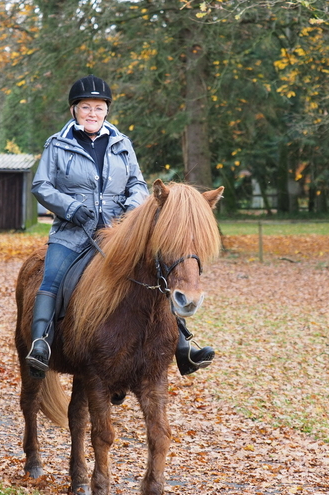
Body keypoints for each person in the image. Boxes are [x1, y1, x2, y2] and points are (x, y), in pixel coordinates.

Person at [26, 74, 215, 379]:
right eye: (85, 107)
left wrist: (131, 210)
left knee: (155, 275)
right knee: (52, 279)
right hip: (73, 232)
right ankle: (41, 344)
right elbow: (41, 186)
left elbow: (137, 182)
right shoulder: (58, 144)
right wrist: (73, 208)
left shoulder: (121, 143)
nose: (92, 113)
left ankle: (183, 344)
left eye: (98, 108)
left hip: (118, 231)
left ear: (106, 111)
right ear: (74, 110)